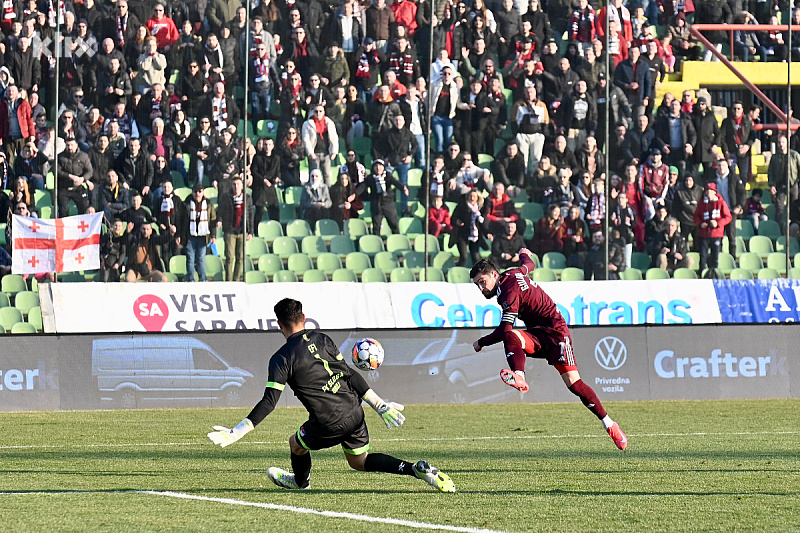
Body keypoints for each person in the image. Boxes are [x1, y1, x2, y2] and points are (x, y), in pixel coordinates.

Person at [207, 298, 455, 493]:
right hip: (354, 411)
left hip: (328, 422)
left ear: (279, 325)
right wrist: (379, 405)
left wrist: (238, 431)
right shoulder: (322, 338)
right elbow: (349, 375)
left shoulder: (281, 358)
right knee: (359, 461)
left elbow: (269, 401)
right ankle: (414, 469)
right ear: (304, 318)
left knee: (296, 444)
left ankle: (300, 482)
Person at [469, 251, 627, 450]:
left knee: (574, 384)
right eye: (477, 285)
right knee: (513, 337)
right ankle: (519, 376)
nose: (481, 288)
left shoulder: (509, 291)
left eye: (482, 282)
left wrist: (481, 342)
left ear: (493, 274)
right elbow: (529, 265)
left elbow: (504, 328)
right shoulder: (514, 273)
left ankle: (610, 424)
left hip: (556, 334)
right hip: (536, 334)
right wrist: (525, 255)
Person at [217, 176, 254, 282]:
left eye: (238, 184)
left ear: (242, 185)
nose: (236, 186)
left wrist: (250, 231)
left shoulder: (247, 198)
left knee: (240, 257)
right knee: (229, 257)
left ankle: (236, 279)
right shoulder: (226, 197)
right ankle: (229, 281)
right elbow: (220, 210)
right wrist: (220, 220)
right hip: (230, 231)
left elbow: (250, 215)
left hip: (242, 230)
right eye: (234, 184)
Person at [693, 182, 732, 278]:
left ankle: (715, 276)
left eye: (711, 191)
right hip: (704, 234)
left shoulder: (721, 202)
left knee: (715, 257)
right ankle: (702, 275)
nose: (709, 193)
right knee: (703, 257)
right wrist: (700, 224)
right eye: (707, 191)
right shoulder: (702, 203)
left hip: (716, 234)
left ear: (715, 192)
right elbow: (696, 216)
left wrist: (718, 223)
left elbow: (728, 217)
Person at [184, 184, 217, 282]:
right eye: (195, 192)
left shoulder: (209, 204)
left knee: (201, 259)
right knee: (190, 259)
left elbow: (213, 220)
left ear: (203, 192)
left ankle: (203, 279)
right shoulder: (186, 203)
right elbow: (182, 220)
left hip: (203, 236)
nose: (197, 194)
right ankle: (191, 280)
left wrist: (213, 236)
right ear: (192, 192)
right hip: (190, 235)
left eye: (200, 191)